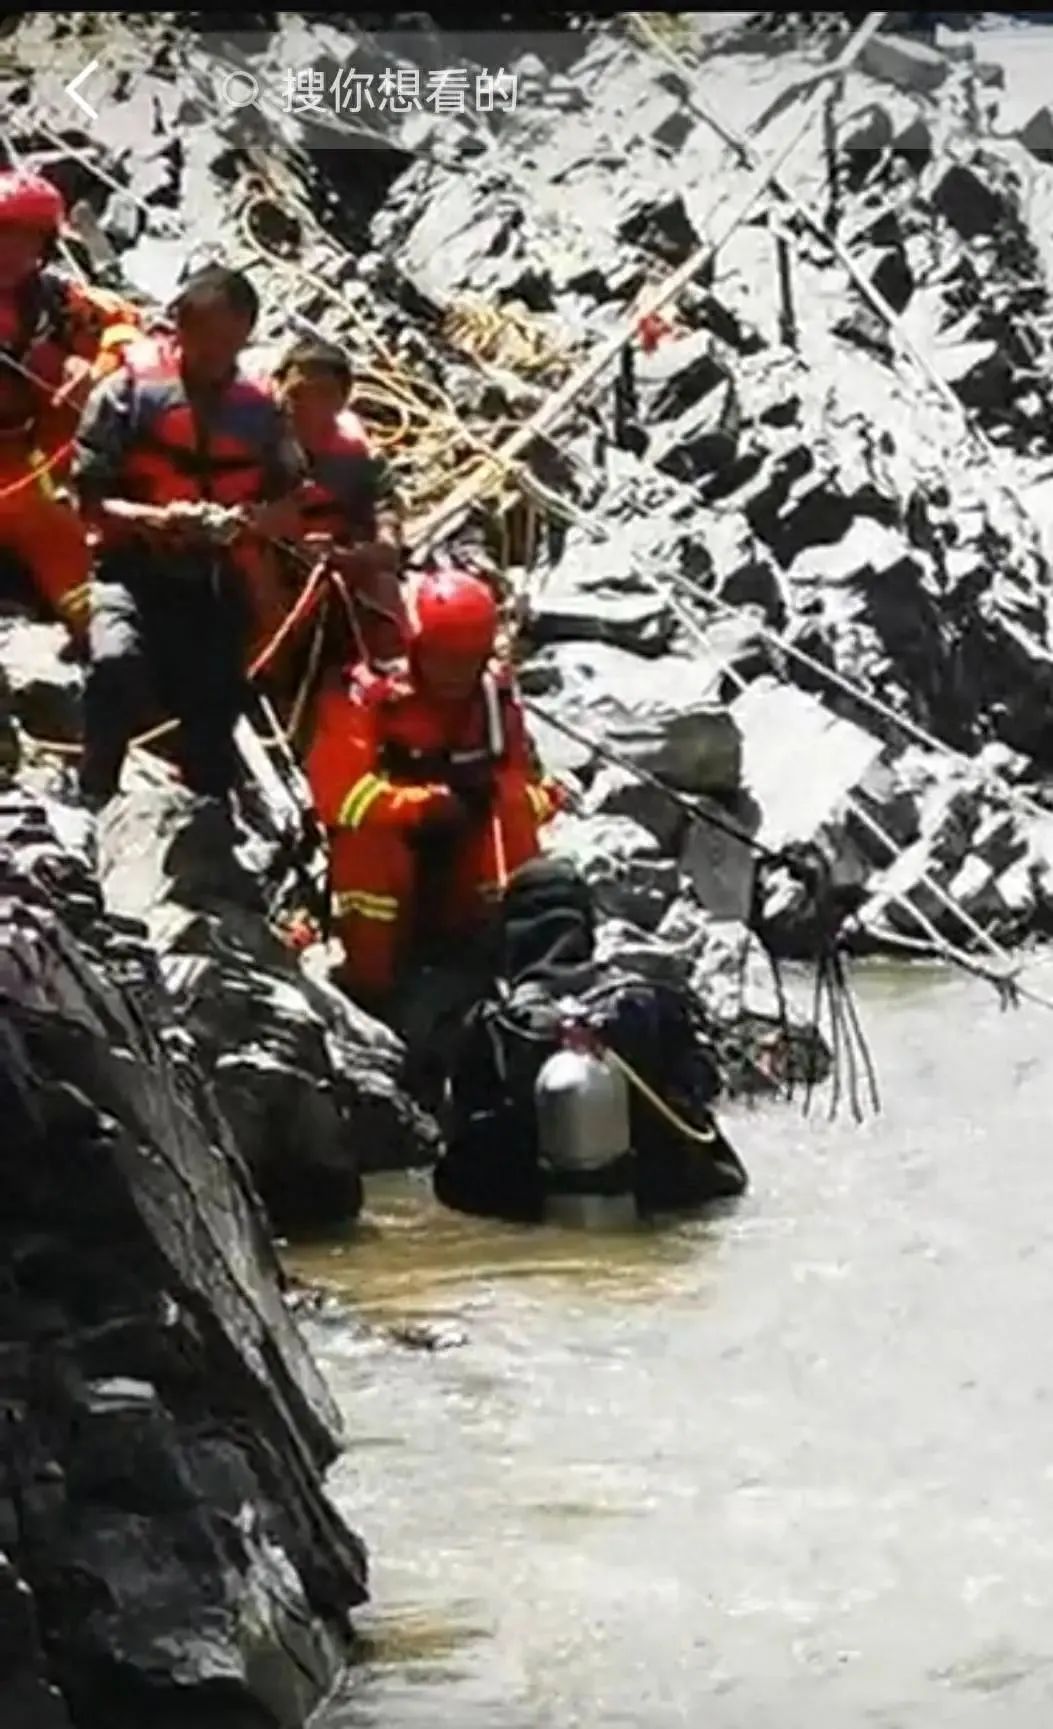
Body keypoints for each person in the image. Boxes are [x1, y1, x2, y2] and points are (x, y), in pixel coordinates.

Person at [73, 264, 305, 810]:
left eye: (229, 341)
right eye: (204, 338)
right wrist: (155, 518)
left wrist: (243, 520)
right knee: (115, 663)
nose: (214, 353)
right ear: (178, 325)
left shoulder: (264, 411)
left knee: (216, 699)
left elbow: (290, 506)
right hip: (131, 567)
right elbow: (87, 499)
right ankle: (92, 791)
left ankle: (206, 811)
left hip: (214, 580)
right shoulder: (124, 393)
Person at [434, 855, 749, 1223]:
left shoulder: (490, 1025)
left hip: (526, 1209)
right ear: (587, 926)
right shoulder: (648, 1001)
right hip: (662, 1199)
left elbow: (457, 1145)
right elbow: (704, 1087)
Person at [306, 564, 563, 1011]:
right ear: (416, 646)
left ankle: (503, 956)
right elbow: (340, 799)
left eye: (467, 661)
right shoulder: (368, 693)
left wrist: (502, 800)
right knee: (370, 849)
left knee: (513, 817)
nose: (454, 674)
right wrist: (429, 805)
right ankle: (372, 985)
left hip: (465, 848)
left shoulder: (494, 698)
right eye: (443, 658)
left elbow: (521, 776)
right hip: (396, 841)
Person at [0, 169, 141, 641]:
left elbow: (127, 330)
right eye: (3, 235)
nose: (11, 252)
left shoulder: (55, 301)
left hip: (34, 444)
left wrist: (93, 372)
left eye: (25, 239)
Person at [272, 337, 406, 672]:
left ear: (344, 399)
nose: (308, 407)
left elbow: (389, 547)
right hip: (268, 575)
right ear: (279, 391)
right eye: (298, 394)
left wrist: (346, 557)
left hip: (336, 574)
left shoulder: (364, 462)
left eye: (324, 395)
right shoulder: (252, 445)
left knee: (386, 594)